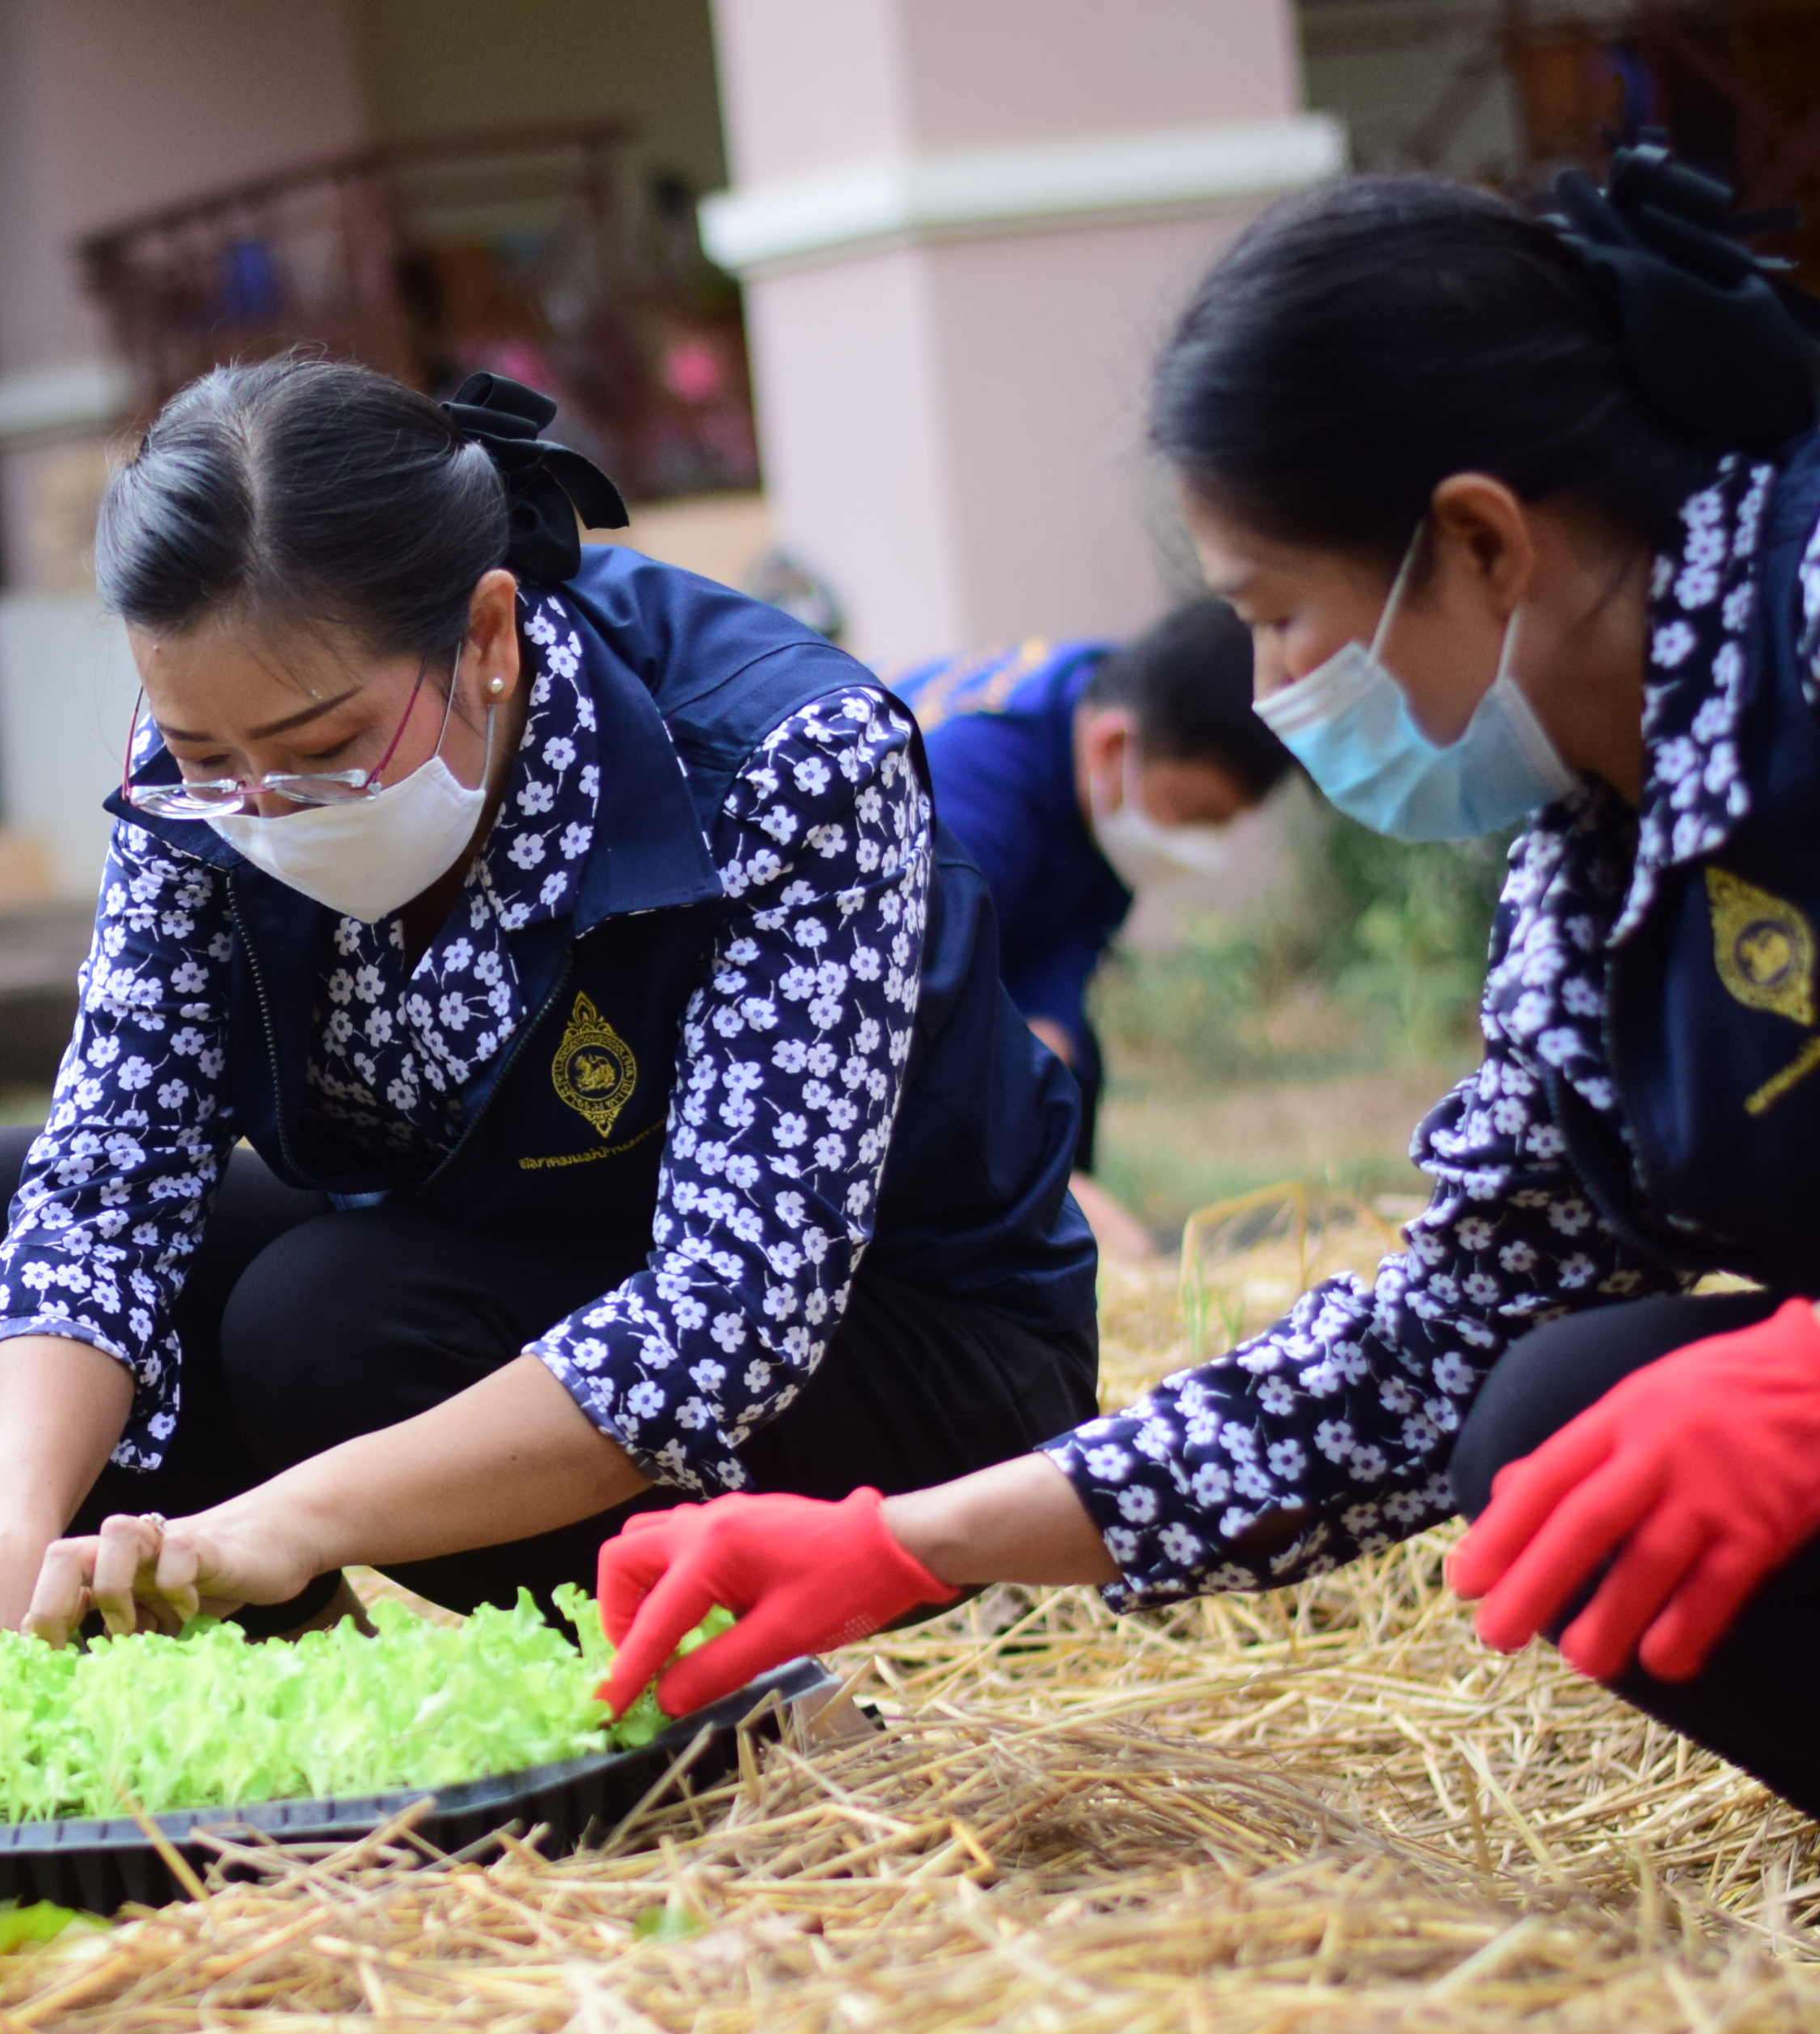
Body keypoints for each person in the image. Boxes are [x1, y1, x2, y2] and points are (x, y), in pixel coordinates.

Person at [590, 153, 1820, 1816]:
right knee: (1549, 1405)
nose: (1268, 688)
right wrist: (901, 1545)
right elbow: (1439, 1340)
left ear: (1476, 541)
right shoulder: (1597, 857)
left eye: (1278, 613)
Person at [0, 362, 1100, 1645]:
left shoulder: (783, 762)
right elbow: (110, 1185)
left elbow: (727, 1319)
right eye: (207, 758)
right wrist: (0, 1535)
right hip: (498, 1248)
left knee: (329, 1326)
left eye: (325, 751)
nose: (261, 807)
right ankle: (265, 1712)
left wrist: (288, 1518)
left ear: (490, 636)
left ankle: (711, 1698)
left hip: (887, 1354)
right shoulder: (208, 762)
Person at [894, 599, 1297, 1260]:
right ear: (1114, 748)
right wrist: (1044, 1179)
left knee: (1069, 1069)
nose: (1205, 848)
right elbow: (922, 1010)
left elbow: (1070, 946)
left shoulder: (1097, 733)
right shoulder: (970, 793)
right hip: (870, 991)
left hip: (966, 954)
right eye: (1198, 816)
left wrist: (1046, 1052)